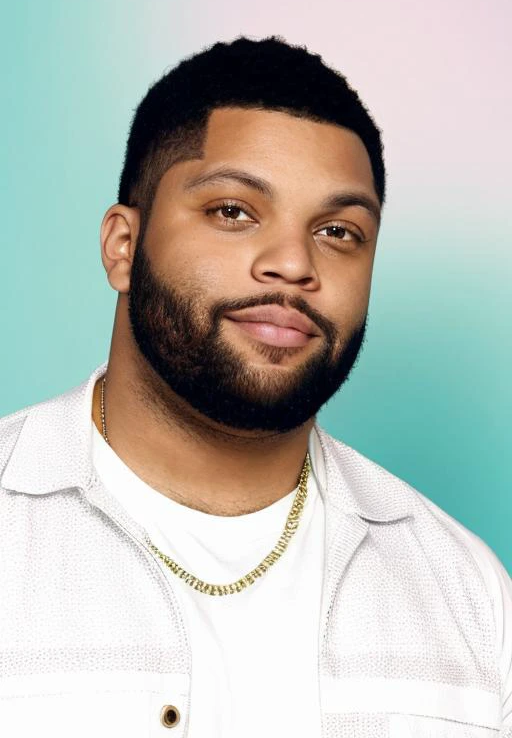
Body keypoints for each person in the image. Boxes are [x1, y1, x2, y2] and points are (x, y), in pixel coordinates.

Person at [0, 36, 510, 738]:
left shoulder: (468, 593)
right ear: (123, 246)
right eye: (233, 212)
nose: (294, 263)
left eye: (337, 230)